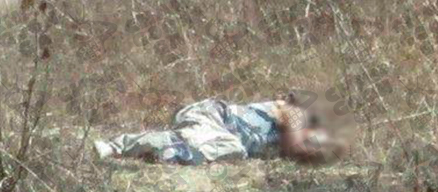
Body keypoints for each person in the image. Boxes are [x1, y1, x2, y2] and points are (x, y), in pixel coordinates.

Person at [94, 91, 353, 166]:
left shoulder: (281, 145)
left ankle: (166, 152)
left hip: (217, 134)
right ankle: (116, 145)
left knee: (216, 149)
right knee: (229, 147)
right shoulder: (286, 109)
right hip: (212, 116)